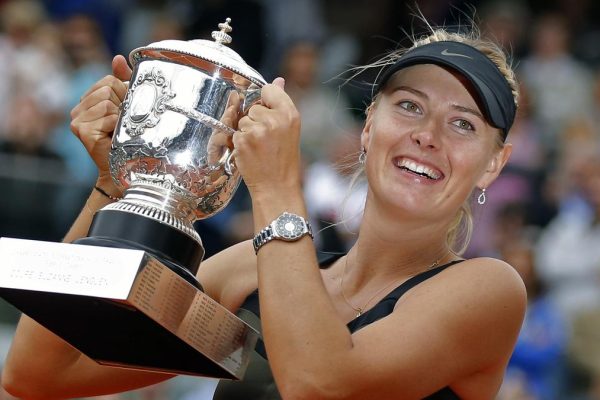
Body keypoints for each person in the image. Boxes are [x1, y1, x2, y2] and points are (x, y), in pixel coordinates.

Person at [1, 26, 526, 399]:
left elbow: (319, 385)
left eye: (463, 124)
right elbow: (37, 375)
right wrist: (117, 184)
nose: (427, 135)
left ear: (493, 164)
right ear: (369, 126)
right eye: (409, 106)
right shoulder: (250, 272)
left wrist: (276, 185)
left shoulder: (489, 291)